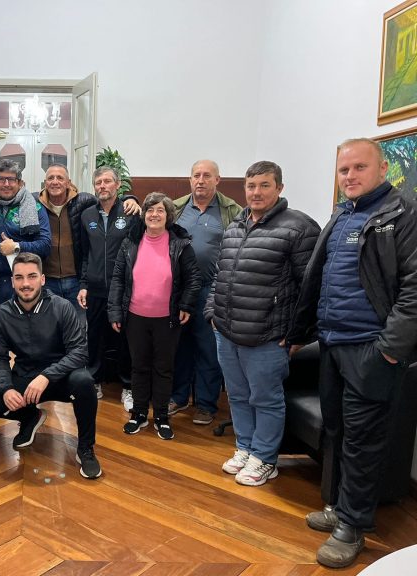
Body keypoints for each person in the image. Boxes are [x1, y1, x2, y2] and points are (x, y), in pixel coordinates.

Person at [288, 138, 417, 569]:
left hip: (370, 349)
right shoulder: (343, 214)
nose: (349, 176)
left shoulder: (403, 214)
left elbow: (414, 290)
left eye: (359, 167)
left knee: (363, 440)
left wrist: (389, 350)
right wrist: (301, 333)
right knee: (337, 432)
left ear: (382, 169)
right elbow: (319, 278)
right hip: (332, 344)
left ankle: (353, 525)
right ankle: (339, 507)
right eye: (344, 169)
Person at [205, 161, 320, 487]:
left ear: (279, 188)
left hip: (268, 337)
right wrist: (212, 312)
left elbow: (312, 287)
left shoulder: (299, 228)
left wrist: (300, 333)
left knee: (266, 399)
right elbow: (220, 275)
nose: (256, 192)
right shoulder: (235, 226)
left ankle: (265, 458)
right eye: (251, 186)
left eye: (264, 185)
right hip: (227, 332)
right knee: (238, 396)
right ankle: (245, 447)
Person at [0, 253, 102, 479]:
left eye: (32, 276)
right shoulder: (2, 314)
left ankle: (86, 447)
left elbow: (79, 352)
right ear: (13, 281)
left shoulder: (62, 307)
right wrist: (6, 388)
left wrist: (47, 375)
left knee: (84, 382)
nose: (26, 283)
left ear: (43, 279)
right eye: (19, 277)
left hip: (60, 377)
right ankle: (29, 417)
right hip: (25, 376)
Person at [108, 192, 201, 440]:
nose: (154, 214)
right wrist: (115, 311)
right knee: (139, 367)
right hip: (135, 317)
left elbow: (193, 279)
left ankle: (161, 416)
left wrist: (186, 305)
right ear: (144, 215)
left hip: (167, 319)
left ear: (168, 215)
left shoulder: (180, 244)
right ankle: (139, 413)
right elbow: (118, 279)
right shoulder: (131, 242)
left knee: (163, 369)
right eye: (150, 210)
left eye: (160, 210)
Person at [170, 160, 242, 425]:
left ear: (217, 180)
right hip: (179, 291)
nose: (200, 180)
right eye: (196, 175)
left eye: (207, 176)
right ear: (190, 179)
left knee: (208, 349)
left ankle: (205, 404)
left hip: (211, 290)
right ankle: (178, 397)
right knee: (179, 347)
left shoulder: (232, 211)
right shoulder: (176, 208)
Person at [37, 164, 139, 311]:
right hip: (49, 280)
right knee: (50, 322)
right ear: (45, 182)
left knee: (78, 323)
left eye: (60, 178)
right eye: (50, 178)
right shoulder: (35, 203)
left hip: (77, 281)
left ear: (68, 182)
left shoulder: (83, 201)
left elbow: (108, 200)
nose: (55, 182)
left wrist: (131, 199)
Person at [77, 166, 138, 407]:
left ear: (118, 184)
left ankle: (128, 386)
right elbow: (85, 254)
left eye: (107, 181)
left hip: (122, 289)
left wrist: (135, 201)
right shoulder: (87, 215)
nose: (102, 186)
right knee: (94, 336)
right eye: (98, 182)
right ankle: (94, 380)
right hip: (95, 289)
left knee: (124, 339)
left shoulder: (130, 212)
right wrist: (84, 284)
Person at [0, 159, 51, 305]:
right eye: (1, 179)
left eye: (11, 179)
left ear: (20, 183)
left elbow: (45, 245)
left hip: (25, 284)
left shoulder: (35, 208)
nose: (6, 184)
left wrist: (16, 247)